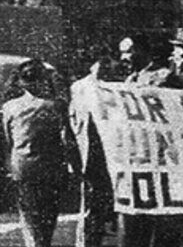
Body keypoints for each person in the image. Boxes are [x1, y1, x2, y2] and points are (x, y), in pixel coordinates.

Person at [2, 59, 81, 247]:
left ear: (21, 82)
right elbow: (66, 139)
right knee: (48, 216)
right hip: (51, 169)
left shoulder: (10, 107)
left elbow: (8, 139)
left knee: (29, 216)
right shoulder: (56, 106)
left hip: (23, 168)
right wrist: (75, 167)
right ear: (44, 80)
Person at [70, 52, 114, 247]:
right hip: (88, 150)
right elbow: (72, 117)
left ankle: (96, 237)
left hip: (107, 151)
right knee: (89, 200)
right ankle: (86, 241)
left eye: (108, 65)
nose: (104, 68)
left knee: (104, 200)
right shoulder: (79, 87)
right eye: (100, 63)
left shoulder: (114, 87)